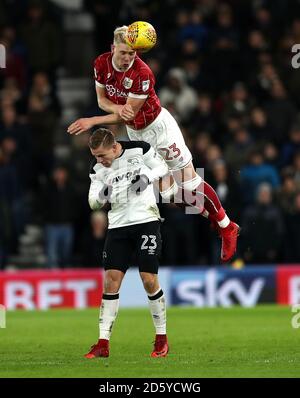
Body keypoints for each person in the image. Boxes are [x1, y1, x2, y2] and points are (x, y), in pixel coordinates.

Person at [67, 25, 240, 263]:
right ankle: (205, 211)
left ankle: (226, 225)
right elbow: (102, 100)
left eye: (132, 53)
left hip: (159, 129)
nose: (128, 58)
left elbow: (125, 114)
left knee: (190, 183)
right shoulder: (101, 64)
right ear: (112, 48)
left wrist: (93, 121)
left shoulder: (143, 73)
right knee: (168, 194)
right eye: (124, 52)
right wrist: (117, 107)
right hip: (137, 134)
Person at [84, 128, 169, 358]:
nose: (100, 160)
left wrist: (146, 178)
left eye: (102, 155)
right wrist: (105, 193)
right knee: (111, 282)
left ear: (114, 147)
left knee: (148, 279)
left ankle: (161, 339)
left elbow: (162, 167)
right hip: (118, 226)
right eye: (96, 156)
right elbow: (93, 202)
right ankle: (103, 343)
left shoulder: (139, 149)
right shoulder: (97, 168)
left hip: (146, 221)